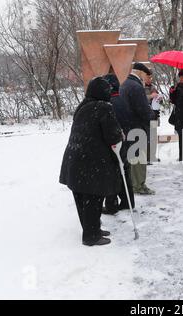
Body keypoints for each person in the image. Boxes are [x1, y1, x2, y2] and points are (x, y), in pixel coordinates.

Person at [59, 76, 123, 247]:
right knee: (94, 198)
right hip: (92, 162)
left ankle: (91, 229)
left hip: (75, 160)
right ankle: (91, 236)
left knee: (83, 199)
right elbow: (113, 136)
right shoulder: (104, 108)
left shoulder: (83, 107)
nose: (110, 93)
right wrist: (120, 134)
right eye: (107, 91)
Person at [120, 63, 157, 195]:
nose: (147, 78)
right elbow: (143, 111)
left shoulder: (125, 84)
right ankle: (138, 185)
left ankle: (133, 184)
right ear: (141, 72)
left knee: (133, 157)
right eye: (147, 75)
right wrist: (153, 114)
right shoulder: (136, 87)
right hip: (138, 127)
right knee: (139, 159)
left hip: (128, 127)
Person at [102, 74, 135, 215]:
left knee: (112, 174)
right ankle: (128, 202)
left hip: (115, 143)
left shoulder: (108, 103)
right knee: (124, 172)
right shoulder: (123, 99)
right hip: (127, 140)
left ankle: (111, 205)